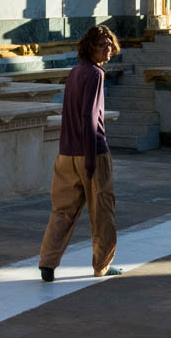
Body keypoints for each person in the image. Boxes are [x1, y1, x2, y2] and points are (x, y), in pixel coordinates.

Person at [38, 25, 122, 281]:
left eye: (109, 44)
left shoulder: (74, 72)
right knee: (102, 212)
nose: (107, 49)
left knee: (62, 212)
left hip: (66, 155)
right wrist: (89, 158)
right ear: (90, 48)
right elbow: (89, 117)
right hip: (92, 153)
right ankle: (102, 266)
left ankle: (47, 262)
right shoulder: (96, 75)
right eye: (102, 46)